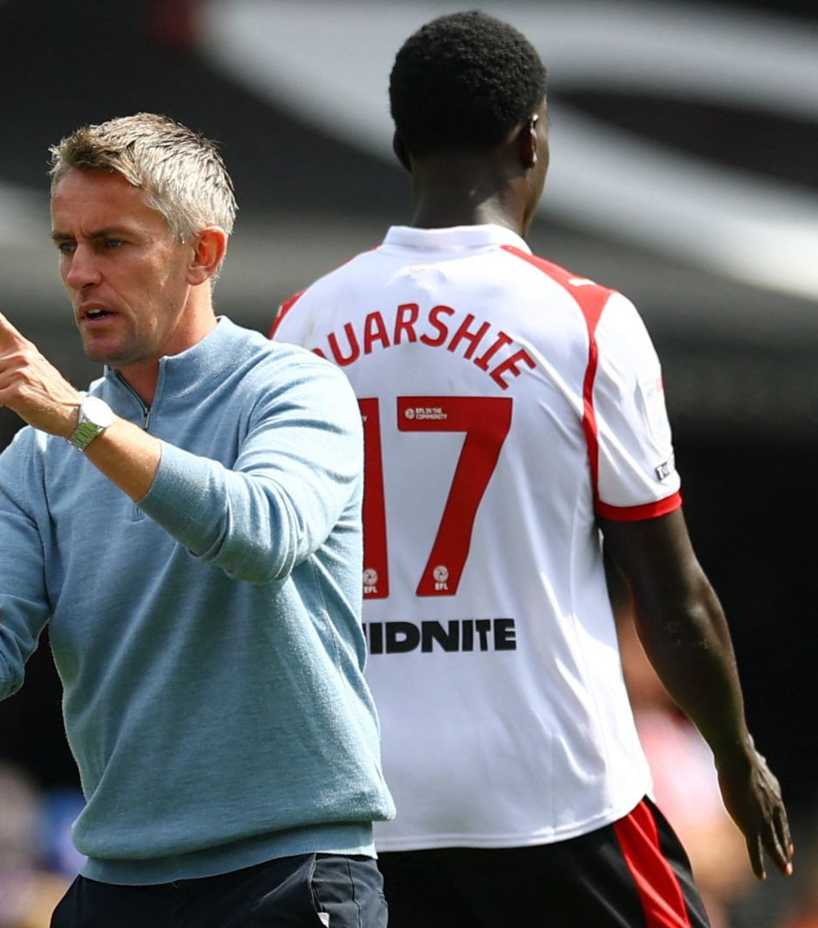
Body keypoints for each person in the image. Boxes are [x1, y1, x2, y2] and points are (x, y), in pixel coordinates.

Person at [269, 12, 795, 926]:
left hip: (367, 802)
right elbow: (672, 597)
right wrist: (735, 755)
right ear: (532, 139)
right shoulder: (587, 324)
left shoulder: (302, 323)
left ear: (399, 144)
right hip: (555, 794)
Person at [0, 114, 392, 926]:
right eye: (66, 245)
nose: (79, 273)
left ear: (203, 254)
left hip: (290, 872)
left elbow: (263, 534)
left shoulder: (294, 388)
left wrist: (84, 424)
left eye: (112, 244)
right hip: (117, 882)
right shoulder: (41, 453)